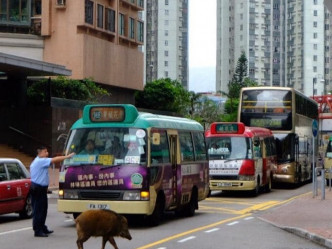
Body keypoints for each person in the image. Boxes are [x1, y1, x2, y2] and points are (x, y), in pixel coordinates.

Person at [30, 146, 75, 237]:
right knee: (38, 210)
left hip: (40, 188)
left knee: (43, 209)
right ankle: (38, 230)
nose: (47, 154)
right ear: (40, 153)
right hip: (38, 188)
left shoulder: (38, 161)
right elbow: (55, 160)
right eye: (45, 152)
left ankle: (42, 227)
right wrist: (67, 157)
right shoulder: (40, 161)